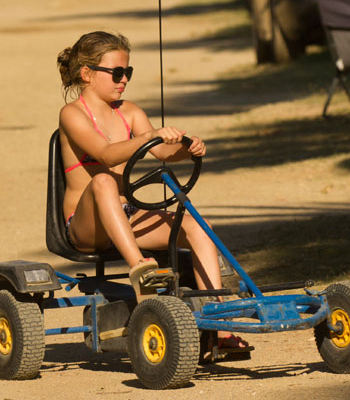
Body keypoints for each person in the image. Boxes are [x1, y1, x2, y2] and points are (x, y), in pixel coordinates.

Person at [56, 30, 251, 354]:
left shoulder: (129, 111)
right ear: (86, 74)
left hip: (126, 218)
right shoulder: (72, 114)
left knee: (197, 227)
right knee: (103, 180)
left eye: (127, 72)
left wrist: (186, 148)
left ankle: (219, 322)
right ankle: (140, 270)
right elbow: (105, 154)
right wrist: (153, 136)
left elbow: (161, 153)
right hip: (86, 226)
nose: (124, 80)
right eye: (116, 73)